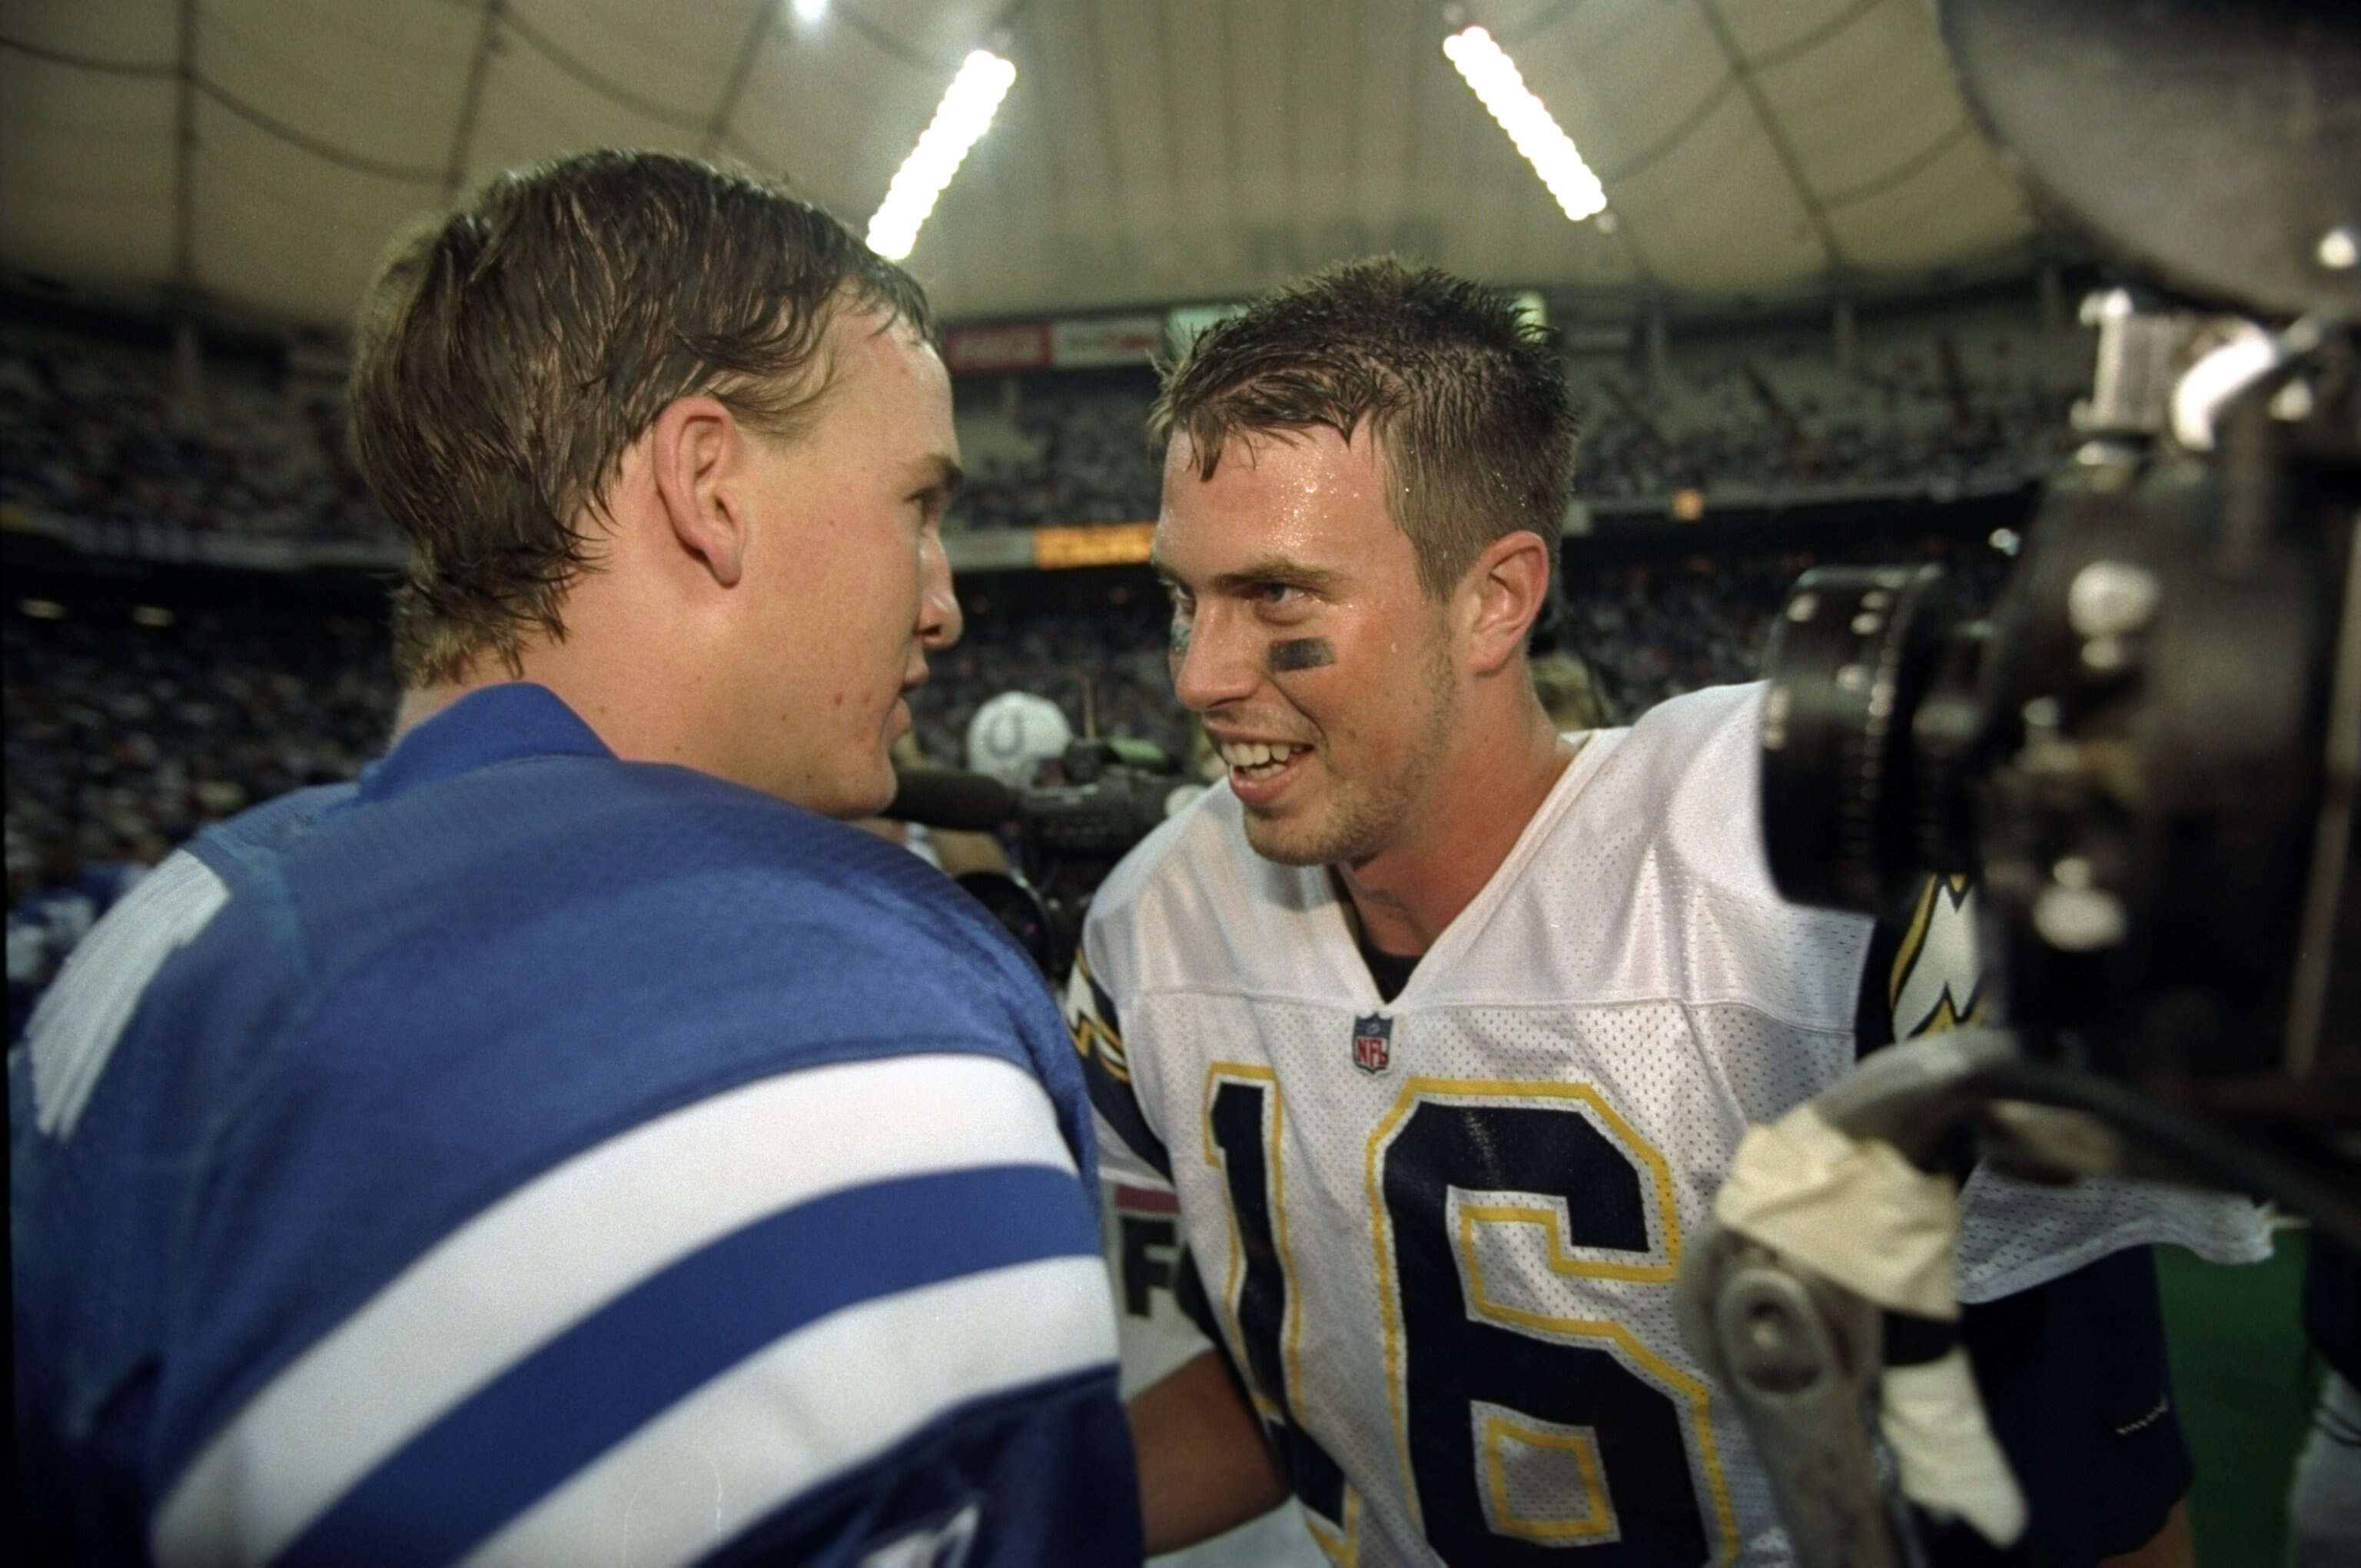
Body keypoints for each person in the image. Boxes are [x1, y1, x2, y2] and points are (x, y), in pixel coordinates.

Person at [12, 151, 1137, 1566]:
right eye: (917, 505)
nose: (945, 604)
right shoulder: (890, 1009)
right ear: (710, 486)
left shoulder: (150, 948)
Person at [1066, 259, 2265, 1566]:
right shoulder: (1159, 924)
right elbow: (1295, 1376)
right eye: (1185, 597)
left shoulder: (1786, 876)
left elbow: (2088, 1494)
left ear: (1497, 598)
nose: (1198, 673)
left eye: (1278, 595)